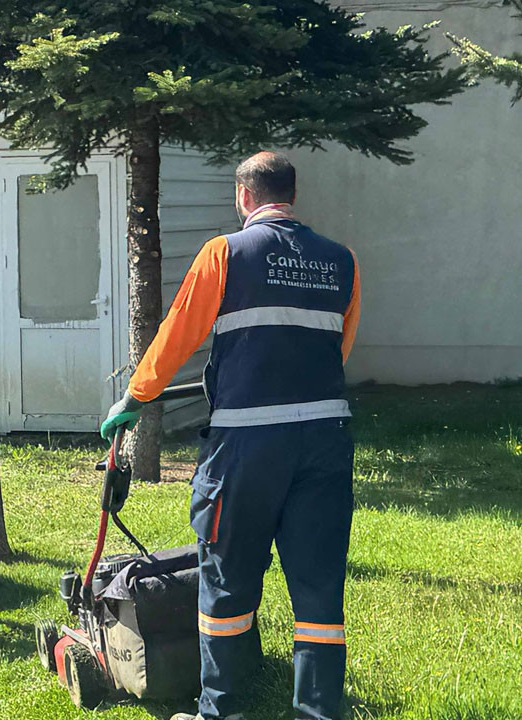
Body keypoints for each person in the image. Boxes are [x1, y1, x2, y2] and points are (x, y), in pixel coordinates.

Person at [100, 153, 361, 720]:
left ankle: (221, 710)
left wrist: (135, 399)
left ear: (244, 198)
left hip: (245, 446)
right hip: (324, 443)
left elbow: (178, 334)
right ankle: (318, 710)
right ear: (291, 195)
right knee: (318, 589)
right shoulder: (342, 261)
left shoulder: (226, 253)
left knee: (226, 580)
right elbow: (338, 347)